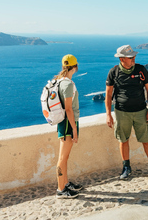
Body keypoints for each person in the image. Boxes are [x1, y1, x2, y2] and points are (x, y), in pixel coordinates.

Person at [105, 45, 148, 180]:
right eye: (131, 57)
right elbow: (108, 94)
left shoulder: (141, 70)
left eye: (134, 56)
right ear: (122, 59)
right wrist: (108, 114)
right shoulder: (114, 72)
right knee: (123, 140)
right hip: (121, 112)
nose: (134, 59)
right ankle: (126, 167)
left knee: (146, 140)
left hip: (141, 111)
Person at [55, 54, 83, 199]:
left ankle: (65, 183)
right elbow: (68, 108)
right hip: (67, 123)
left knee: (65, 156)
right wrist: (74, 129)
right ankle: (61, 189)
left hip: (65, 122)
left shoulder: (61, 81)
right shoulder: (67, 84)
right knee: (62, 157)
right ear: (75, 67)